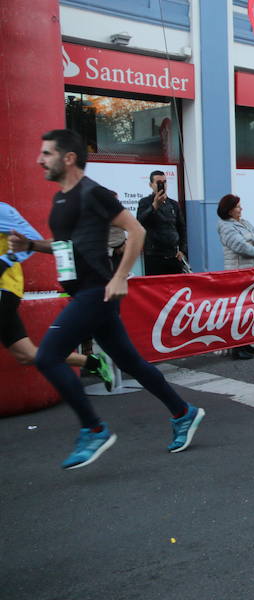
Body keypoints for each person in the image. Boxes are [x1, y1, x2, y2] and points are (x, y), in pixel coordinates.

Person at [8, 129, 204, 469]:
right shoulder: (61, 199)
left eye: (47, 153)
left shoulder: (93, 193)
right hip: (85, 291)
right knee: (130, 363)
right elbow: (64, 247)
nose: (40, 159)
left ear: (68, 158)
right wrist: (31, 246)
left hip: (97, 291)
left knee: (48, 357)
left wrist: (119, 277)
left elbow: (137, 230)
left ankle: (94, 429)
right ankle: (183, 412)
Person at [1, 201, 113, 389]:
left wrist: (5, 261)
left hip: (4, 289)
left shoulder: (2, 210)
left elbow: (31, 238)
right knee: (26, 355)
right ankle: (91, 362)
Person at [216, 194, 254, 360]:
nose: (241, 208)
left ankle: (246, 343)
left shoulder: (244, 223)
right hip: (237, 273)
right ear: (230, 210)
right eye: (238, 206)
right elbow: (240, 247)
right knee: (239, 312)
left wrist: (250, 238)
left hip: (249, 272)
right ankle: (237, 347)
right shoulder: (225, 226)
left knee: (249, 310)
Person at [136, 170, 186, 275]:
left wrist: (182, 250)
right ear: (151, 185)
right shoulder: (145, 202)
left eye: (164, 182)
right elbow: (140, 222)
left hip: (173, 255)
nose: (162, 185)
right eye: (159, 182)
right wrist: (154, 206)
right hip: (154, 256)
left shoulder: (173, 204)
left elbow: (181, 228)